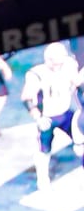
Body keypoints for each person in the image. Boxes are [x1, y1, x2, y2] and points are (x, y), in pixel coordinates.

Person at [20, 41, 84, 190]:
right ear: (48, 60)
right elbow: (27, 97)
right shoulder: (37, 74)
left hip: (66, 112)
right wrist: (38, 117)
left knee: (80, 142)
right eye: (56, 62)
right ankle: (42, 178)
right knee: (44, 149)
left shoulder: (69, 64)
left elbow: (76, 82)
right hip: (47, 116)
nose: (58, 66)